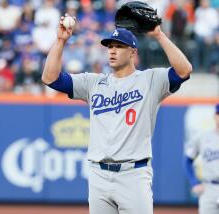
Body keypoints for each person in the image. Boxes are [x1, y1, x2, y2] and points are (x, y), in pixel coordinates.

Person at [41, 14, 192, 214]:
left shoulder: (150, 80)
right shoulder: (93, 83)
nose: (112, 50)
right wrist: (60, 41)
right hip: (98, 174)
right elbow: (50, 78)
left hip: (134, 174)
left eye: (119, 46)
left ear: (133, 52)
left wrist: (159, 35)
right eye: (110, 46)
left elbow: (184, 70)